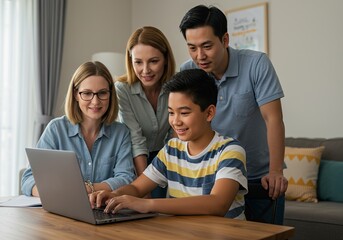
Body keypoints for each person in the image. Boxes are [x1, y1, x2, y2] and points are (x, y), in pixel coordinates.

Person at [179, 5, 288, 224]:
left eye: (207, 46)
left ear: (225, 39)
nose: (199, 56)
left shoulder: (257, 64)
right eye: (192, 47)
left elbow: (273, 118)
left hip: (259, 177)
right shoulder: (188, 71)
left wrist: (275, 171)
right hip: (212, 178)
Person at [89, 69, 247, 219]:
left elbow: (218, 204)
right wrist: (115, 195)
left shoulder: (230, 150)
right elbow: (137, 188)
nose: (175, 121)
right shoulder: (172, 149)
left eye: (184, 113)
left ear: (209, 113)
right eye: (171, 112)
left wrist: (147, 204)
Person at [21, 61, 136, 197]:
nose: (95, 101)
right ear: (76, 94)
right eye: (87, 93)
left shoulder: (121, 133)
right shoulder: (56, 129)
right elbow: (29, 179)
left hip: (104, 210)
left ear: (110, 95)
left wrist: (87, 188)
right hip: (61, 210)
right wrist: (55, 193)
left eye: (102, 93)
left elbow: (126, 178)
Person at [115, 26, 176, 198]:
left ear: (165, 59)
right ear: (130, 60)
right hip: (135, 158)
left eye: (153, 61)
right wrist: (145, 188)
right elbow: (135, 139)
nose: (145, 70)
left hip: (167, 156)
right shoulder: (122, 90)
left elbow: (175, 135)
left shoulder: (176, 86)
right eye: (138, 62)